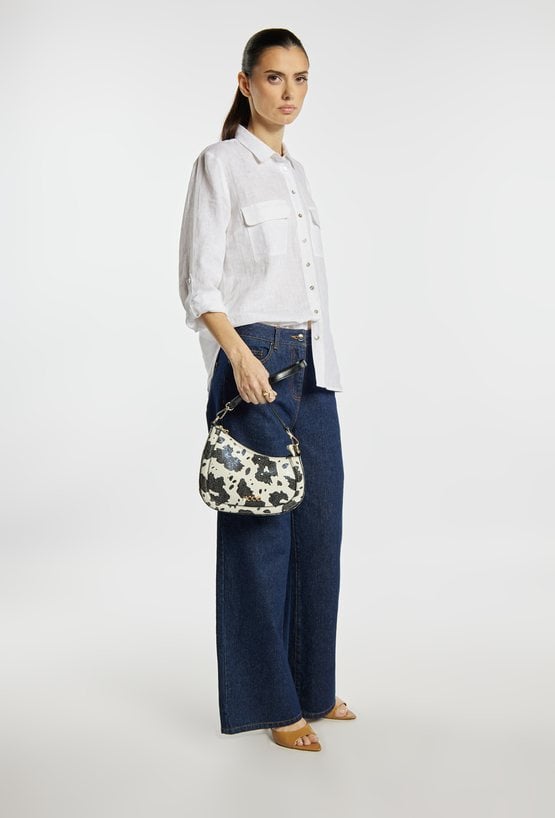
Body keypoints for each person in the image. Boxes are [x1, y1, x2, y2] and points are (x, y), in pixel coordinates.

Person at [178, 28, 356, 751]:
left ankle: (311, 686)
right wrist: (238, 355)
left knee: (318, 530)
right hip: (254, 359)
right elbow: (199, 284)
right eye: (276, 77)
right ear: (245, 83)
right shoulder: (220, 163)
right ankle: (272, 704)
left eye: (301, 78)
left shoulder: (295, 172)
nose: (289, 92)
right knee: (260, 534)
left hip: (314, 364)